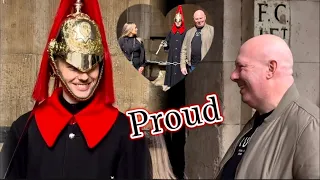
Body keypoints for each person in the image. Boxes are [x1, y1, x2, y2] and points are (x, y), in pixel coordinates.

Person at [0, 0, 152, 179]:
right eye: (73, 67)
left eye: (92, 65)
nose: (84, 76)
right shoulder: (24, 129)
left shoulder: (126, 132)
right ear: (55, 65)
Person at [215, 34, 319, 179]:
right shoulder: (258, 121)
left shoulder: (310, 126)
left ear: (271, 68)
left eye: (241, 67)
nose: (233, 76)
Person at [180, 10, 214, 75]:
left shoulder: (212, 30)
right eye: (197, 19)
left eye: (201, 18)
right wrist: (183, 66)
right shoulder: (189, 32)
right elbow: (184, 50)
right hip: (192, 66)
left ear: (205, 17)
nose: (199, 21)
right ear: (194, 20)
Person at [161, 5, 186, 90]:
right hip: (171, 56)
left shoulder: (185, 32)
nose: (178, 22)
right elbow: (166, 42)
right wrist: (165, 44)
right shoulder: (171, 32)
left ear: (182, 21)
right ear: (174, 21)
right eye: (176, 20)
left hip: (181, 56)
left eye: (179, 21)